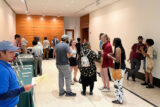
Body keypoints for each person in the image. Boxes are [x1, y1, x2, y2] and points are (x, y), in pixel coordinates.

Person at [0, 40, 33, 107]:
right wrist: (22, 89)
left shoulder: (5, 64)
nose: (14, 54)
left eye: (14, 51)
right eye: (11, 52)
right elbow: (2, 95)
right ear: (1, 53)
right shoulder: (2, 70)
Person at [108, 38, 126, 104]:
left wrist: (110, 57)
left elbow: (117, 60)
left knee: (117, 85)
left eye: (113, 41)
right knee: (118, 84)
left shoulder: (117, 48)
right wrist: (111, 54)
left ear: (115, 42)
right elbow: (117, 55)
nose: (112, 42)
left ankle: (120, 100)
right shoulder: (120, 47)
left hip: (119, 68)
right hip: (120, 68)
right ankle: (119, 99)